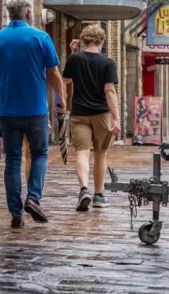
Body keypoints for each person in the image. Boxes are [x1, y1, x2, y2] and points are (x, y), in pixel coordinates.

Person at [0, 0, 66, 228]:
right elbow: (53, 73)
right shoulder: (41, 38)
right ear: (29, 15)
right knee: (39, 153)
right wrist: (61, 99)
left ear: (9, 15)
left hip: (8, 110)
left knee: (12, 159)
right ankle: (33, 197)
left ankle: (16, 213)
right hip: (36, 109)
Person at [62, 24, 121, 211]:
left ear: (83, 41)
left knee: (82, 152)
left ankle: (83, 190)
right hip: (102, 115)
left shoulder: (75, 59)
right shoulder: (107, 63)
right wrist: (116, 118)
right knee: (100, 154)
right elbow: (110, 91)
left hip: (80, 114)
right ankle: (98, 195)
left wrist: (72, 53)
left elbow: (66, 80)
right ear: (102, 41)